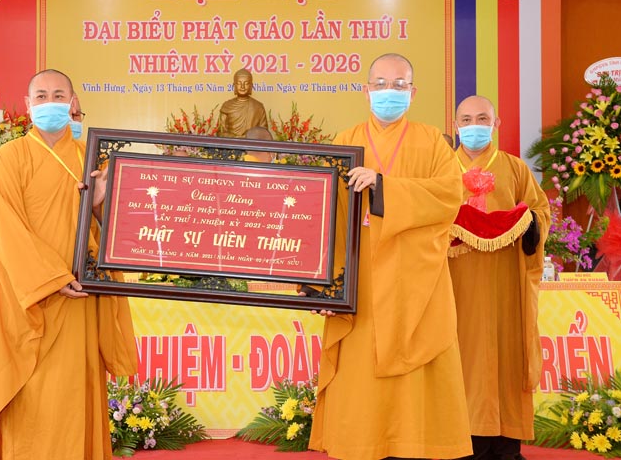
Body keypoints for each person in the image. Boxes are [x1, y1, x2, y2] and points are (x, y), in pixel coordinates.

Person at [308, 53, 472, 460]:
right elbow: (326, 217)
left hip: (415, 280)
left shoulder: (431, 142)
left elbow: (450, 195)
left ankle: (414, 445)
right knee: (360, 386)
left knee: (416, 385)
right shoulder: (345, 142)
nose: (389, 92)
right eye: (380, 84)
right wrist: (323, 284)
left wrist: (384, 187)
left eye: (399, 85)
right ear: (366, 91)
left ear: (413, 93)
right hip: (361, 281)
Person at [0, 69, 137, 460]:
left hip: (80, 298)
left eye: (58, 95)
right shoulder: (9, 158)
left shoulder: (92, 159)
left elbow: (118, 231)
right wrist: (51, 278)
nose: (49, 102)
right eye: (41, 96)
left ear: (71, 102)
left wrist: (100, 204)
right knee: (32, 395)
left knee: (73, 394)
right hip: (32, 299)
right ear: (27, 104)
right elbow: (4, 229)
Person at [448, 95, 550, 460]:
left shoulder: (514, 168)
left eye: (482, 118)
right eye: (466, 120)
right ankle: (463, 444)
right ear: (455, 125)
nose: (474, 126)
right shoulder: (441, 169)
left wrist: (531, 225)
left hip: (507, 283)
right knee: (461, 358)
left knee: (507, 355)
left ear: (496, 123)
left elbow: (540, 210)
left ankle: (507, 445)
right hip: (456, 286)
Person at [218, 68, 268, 138]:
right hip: (231, 143)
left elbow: (264, 134)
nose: (242, 87)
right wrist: (235, 137)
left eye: (246, 83)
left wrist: (248, 137)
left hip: (251, 144)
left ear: (251, 86)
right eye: (239, 83)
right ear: (234, 85)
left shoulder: (258, 107)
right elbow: (220, 132)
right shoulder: (226, 106)